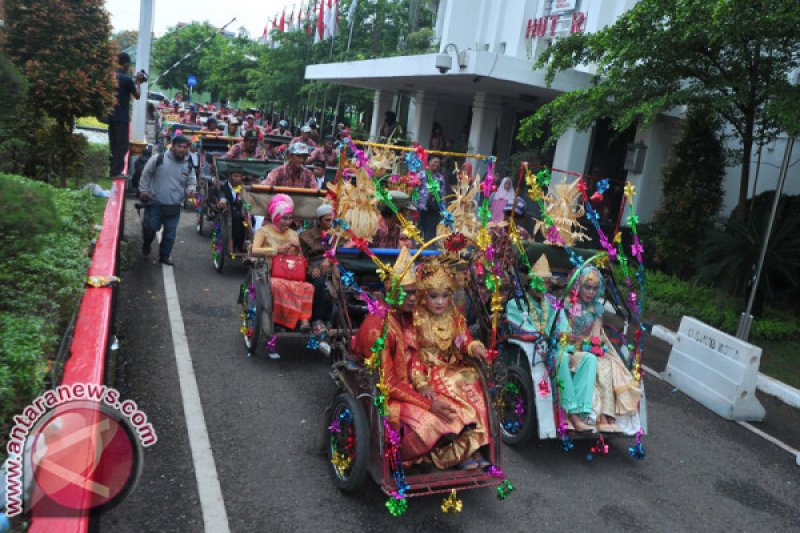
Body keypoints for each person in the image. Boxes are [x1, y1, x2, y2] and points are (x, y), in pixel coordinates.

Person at [351, 248, 459, 463]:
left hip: (412, 384)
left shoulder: (406, 317)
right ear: (391, 292)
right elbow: (387, 383)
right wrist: (429, 404)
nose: (413, 298)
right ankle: (409, 459)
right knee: (436, 422)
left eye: (414, 292)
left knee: (458, 408)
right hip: (388, 393)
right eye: (407, 293)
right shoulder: (377, 329)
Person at [408, 259, 492, 469]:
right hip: (428, 372)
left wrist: (475, 348)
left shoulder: (454, 315)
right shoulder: (416, 318)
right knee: (457, 380)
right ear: (423, 295)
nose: (440, 302)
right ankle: (462, 451)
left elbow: (463, 340)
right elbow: (412, 353)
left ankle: (472, 446)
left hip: (454, 367)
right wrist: (421, 383)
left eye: (445, 296)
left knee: (472, 377)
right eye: (433, 296)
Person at [558, 266, 641, 433]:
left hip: (587, 346)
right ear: (578, 286)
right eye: (587, 287)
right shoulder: (567, 304)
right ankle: (598, 416)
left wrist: (595, 346)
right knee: (595, 362)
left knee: (608, 365)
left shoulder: (597, 308)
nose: (590, 292)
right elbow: (563, 332)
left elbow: (596, 335)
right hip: (568, 345)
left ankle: (607, 416)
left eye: (594, 288)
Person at [250, 194, 314, 336]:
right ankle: (282, 321)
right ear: (276, 216)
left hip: (291, 272)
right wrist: (276, 250)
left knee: (308, 287)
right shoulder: (263, 231)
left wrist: (298, 250)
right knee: (278, 286)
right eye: (284, 218)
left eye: (290, 218)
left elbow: (300, 258)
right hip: (270, 272)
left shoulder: (292, 234)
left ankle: (304, 320)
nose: (288, 222)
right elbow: (254, 250)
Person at [139, 136, 196, 265]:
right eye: (179, 146)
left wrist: (191, 188)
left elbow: (192, 179)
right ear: (172, 146)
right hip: (155, 203)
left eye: (185, 147)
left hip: (174, 205)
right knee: (150, 229)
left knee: (170, 234)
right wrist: (143, 190)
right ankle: (146, 245)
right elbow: (145, 174)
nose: (182, 149)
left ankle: (164, 257)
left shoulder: (188, 164)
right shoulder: (158, 159)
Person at [299, 204, 335, 332]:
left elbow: (341, 252)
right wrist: (310, 269)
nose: (331, 223)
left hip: (332, 267)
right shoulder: (305, 236)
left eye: (333, 220)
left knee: (342, 283)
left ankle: (332, 319)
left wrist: (329, 259)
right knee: (320, 283)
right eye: (327, 220)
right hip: (313, 267)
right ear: (319, 220)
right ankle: (316, 320)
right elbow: (301, 257)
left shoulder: (337, 236)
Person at [108, 52, 143, 177]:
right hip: (122, 116)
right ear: (126, 63)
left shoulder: (111, 76)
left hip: (111, 115)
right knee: (122, 145)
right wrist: (138, 82)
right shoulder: (127, 79)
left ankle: (112, 169)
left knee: (114, 143)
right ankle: (117, 172)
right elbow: (137, 95)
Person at [209, 171, 247, 253]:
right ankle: (236, 244)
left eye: (240, 176)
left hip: (243, 211)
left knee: (250, 219)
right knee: (237, 217)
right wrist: (223, 201)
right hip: (228, 212)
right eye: (235, 176)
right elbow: (222, 195)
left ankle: (246, 244)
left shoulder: (244, 188)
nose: (237, 178)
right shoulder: (223, 187)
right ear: (230, 177)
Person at [413, 156, 447, 241]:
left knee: (430, 230)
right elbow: (415, 189)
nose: (436, 164)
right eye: (434, 162)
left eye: (438, 163)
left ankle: (428, 248)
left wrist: (444, 210)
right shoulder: (421, 174)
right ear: (429, 163)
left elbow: (442, 195)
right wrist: (414, 203)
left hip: (433, 208)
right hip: (421, 206)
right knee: (417, 228)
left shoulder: (440, 178)